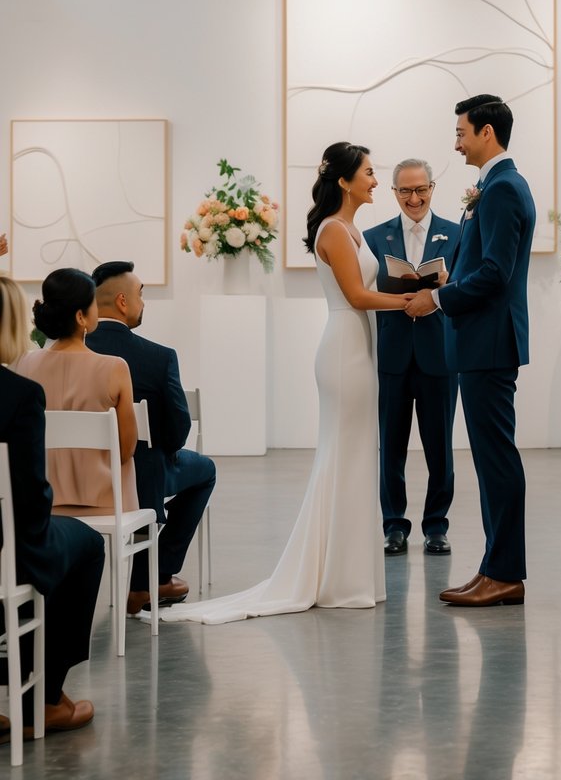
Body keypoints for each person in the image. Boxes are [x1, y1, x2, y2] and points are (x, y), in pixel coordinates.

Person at [163, 142, 414, 623]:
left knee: (359, 458)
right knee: (345, 456)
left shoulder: (352, 231)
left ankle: (350, 574)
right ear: (343, 180)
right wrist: (412, 301)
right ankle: (339, 578)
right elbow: (358, 296)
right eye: (368, 172)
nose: (376, 181)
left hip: (360, 348)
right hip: (345, 348)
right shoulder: (334, 230)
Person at [406, 95, 535, 608]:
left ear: (486, 132)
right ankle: (494, 567)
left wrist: (436, 297)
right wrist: (445, 277)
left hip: (488, 343)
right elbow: (481, 264)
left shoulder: (503, 189)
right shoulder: (497, 185)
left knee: (496, 459)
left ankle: (504, 573)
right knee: (489, 458)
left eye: (461, 132)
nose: (456, 142)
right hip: (480, 342)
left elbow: (496, 274)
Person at [0, 275, 105, 740]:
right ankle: (42, 700)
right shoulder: (18, 394)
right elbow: (28, 493)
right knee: (81, 542)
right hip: (7, 544)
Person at [86, 261, 216, 614]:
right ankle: (150, 579)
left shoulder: (68, 353)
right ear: (124, 302)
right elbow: (178, 430)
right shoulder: (158, 358)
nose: (145, 303)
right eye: (142, 294)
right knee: (205, 470)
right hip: (141, 481)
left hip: (77, 480)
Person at [364, 159, 460, 557]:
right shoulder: (373, 237)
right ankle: (393, 525)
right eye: (405, 191)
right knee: (391, 446)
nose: (414, 198)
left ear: (432, 188)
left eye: (421, 189)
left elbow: (468, 288)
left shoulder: (456, 234)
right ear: (394, 193)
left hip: (440, 354)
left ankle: (436, 526)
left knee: (440, 447)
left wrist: (444, 288)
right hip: (393, 354)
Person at [16, 268, 139, 518]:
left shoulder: (24, 364)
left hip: (41, 502)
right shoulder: (115, 368)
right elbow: (126, 450)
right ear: (81, 317)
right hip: (107, 505)